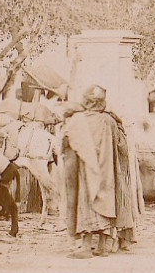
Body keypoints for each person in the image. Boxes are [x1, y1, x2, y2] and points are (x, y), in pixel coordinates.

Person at [60, 85, 142, 257]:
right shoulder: (110, 120)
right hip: (108, 174)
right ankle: (104, 245)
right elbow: (123, 149)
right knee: (106, 203)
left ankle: (86, 246)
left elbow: (65, 141)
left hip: (86, 173)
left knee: (86, 203)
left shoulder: (78, 120)